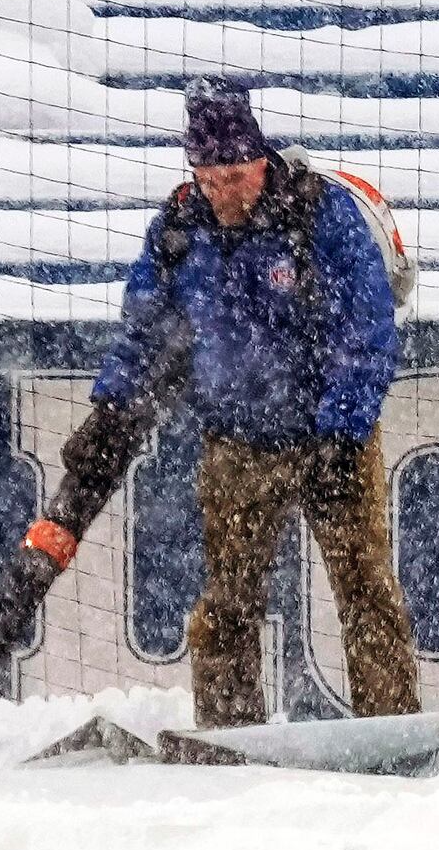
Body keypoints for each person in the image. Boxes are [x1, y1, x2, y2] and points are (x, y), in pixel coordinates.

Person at [92, 79, 416, 727]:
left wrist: (343, 428)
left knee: (368, 596)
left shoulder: (321, 212)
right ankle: (229, 735)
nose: (223, 192)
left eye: (235, 175)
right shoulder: (180, 225)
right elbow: (143, 327)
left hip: (334, 439)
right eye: (208, 178)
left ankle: (390, 729)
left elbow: (369, 325)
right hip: (238, 441)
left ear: (260, 159)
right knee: (227, 605)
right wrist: (109, 405)